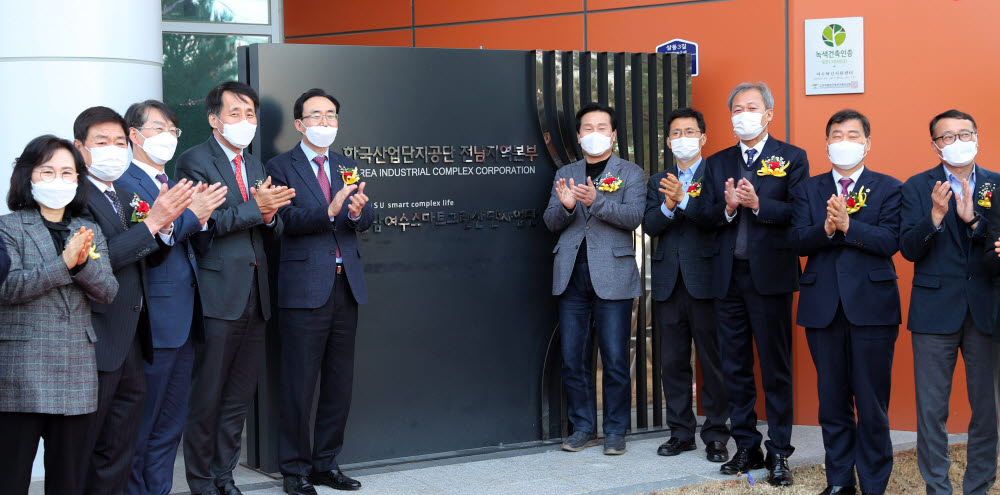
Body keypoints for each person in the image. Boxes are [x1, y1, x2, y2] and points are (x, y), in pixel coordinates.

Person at [175, 81, 295, 495]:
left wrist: (269, 214)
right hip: (217, 295)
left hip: (256, 294)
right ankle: (202, 481)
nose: (245, 122)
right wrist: (255, 209)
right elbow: (202, 224)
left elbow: (271, 227)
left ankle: (225, 477)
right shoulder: (195, 162)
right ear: (214, 119)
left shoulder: (257, 166)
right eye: (235, 113)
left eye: (250, 115)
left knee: (238, 397)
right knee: (207, 395)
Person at [686, 81, 808, 486]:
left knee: (776, 368)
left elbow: (798, 212)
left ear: (768, 114)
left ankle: (779, 452)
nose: (743, 114)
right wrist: (726, 207)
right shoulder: (717, 162)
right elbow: (702, 215)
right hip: (728, 278)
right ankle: (746, 445)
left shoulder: (792, 157)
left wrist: (758, 205)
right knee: (734, 366)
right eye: (737, 108)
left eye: (751, 107)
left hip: (770, 278)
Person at [73, 106, 195, 495]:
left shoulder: (124, 195)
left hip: (134, 335)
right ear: (80, 148)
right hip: (98, 335)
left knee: (122, 445)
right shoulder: (75, 198)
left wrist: (162, 228)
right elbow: (99, 257)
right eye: (101, 142)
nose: (113, 149)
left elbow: (148, 255)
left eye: (118, 142)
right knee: (91, 447)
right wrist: (154, 224)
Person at [266, 88, 374, 494]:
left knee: (338, 382)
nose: (325, 123)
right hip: (303, 289)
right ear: (299, 124)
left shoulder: (347, 165)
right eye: (316, 116)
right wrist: (327, 211)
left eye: (330, 115)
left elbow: (365, 217)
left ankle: (326, 463)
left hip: (346, 287)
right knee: (299, 383)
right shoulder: (281, 166)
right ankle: (294, 470)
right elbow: (283, 220)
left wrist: (360, 213)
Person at [118, 99, 227, 495]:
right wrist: (191, 215)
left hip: (186, 318)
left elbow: (193, 239)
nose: (167, 137)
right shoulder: (126, 183)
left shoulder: (174, 183)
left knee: (170, 426)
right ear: (134, 134)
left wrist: (203, 218)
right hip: (154, 321)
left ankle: (158, 489)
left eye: (172, 131)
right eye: (158, 128)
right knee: (142, 425)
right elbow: (148, 242)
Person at [791, 110, 901, 495]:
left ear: (867, 143)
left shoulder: (888, 187)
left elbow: (891, 241)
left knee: (871, 405)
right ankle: (839, 482)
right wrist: (825, 228)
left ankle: (873, 484)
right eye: (837, 135)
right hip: (823, 307)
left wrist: (850, 226)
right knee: (832, 403)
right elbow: (797, 241)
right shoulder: (809, 189)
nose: (844, 141)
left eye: (853, 135)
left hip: (873, 307)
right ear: (826, 143)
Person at [0, 135, 116, 495]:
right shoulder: (8, 227)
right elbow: (8, 288)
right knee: (10, 476)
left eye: (68, 172)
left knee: (69, 480)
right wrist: (64, 263)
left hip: (76, 370)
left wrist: (82, 266)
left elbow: (108, 291)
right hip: (22, 370)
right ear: (27, 177)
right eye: (47, 171)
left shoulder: (89, 229)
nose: (58, 179)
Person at [899, 109, 999, 495]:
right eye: (947, 136)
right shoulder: (915, 186)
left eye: (964, 133)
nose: (957, 142)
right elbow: (908, 248)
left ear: (977, 136)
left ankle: (978, 486)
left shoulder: (996, 185)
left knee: (987, 410)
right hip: (934, 311)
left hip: (986, 309)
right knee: (931, 411)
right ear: (935, 145)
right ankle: (937, 487)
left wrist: (975, 221)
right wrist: (935, 217)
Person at [543, 102, 644, 456]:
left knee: (615, 358)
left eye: (602, 127)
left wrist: (597, 201)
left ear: (613, 135)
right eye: (588, 128)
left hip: (612, 275)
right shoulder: (565, 172)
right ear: (578, 135)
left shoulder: (630, 173)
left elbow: (633, 216)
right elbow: (550, 221)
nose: (595, 133)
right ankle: (583, 427)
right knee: (573, 357)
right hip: (571, 274)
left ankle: (615, 430)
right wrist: (568, 206)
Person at [642, 107, 729, 463]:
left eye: (689, 132)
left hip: (706, 281)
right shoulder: (657, 180)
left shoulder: (717, 174)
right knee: (672, 361)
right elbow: (649, 225)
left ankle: (717, 435)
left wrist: (685, 200)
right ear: (667, 141)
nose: (682, 139)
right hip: (667, 283)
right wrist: (666, 205)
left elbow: (714, 219)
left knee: (713, 362)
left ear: (703, 137)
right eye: (676, 133)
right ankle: (680, 433)